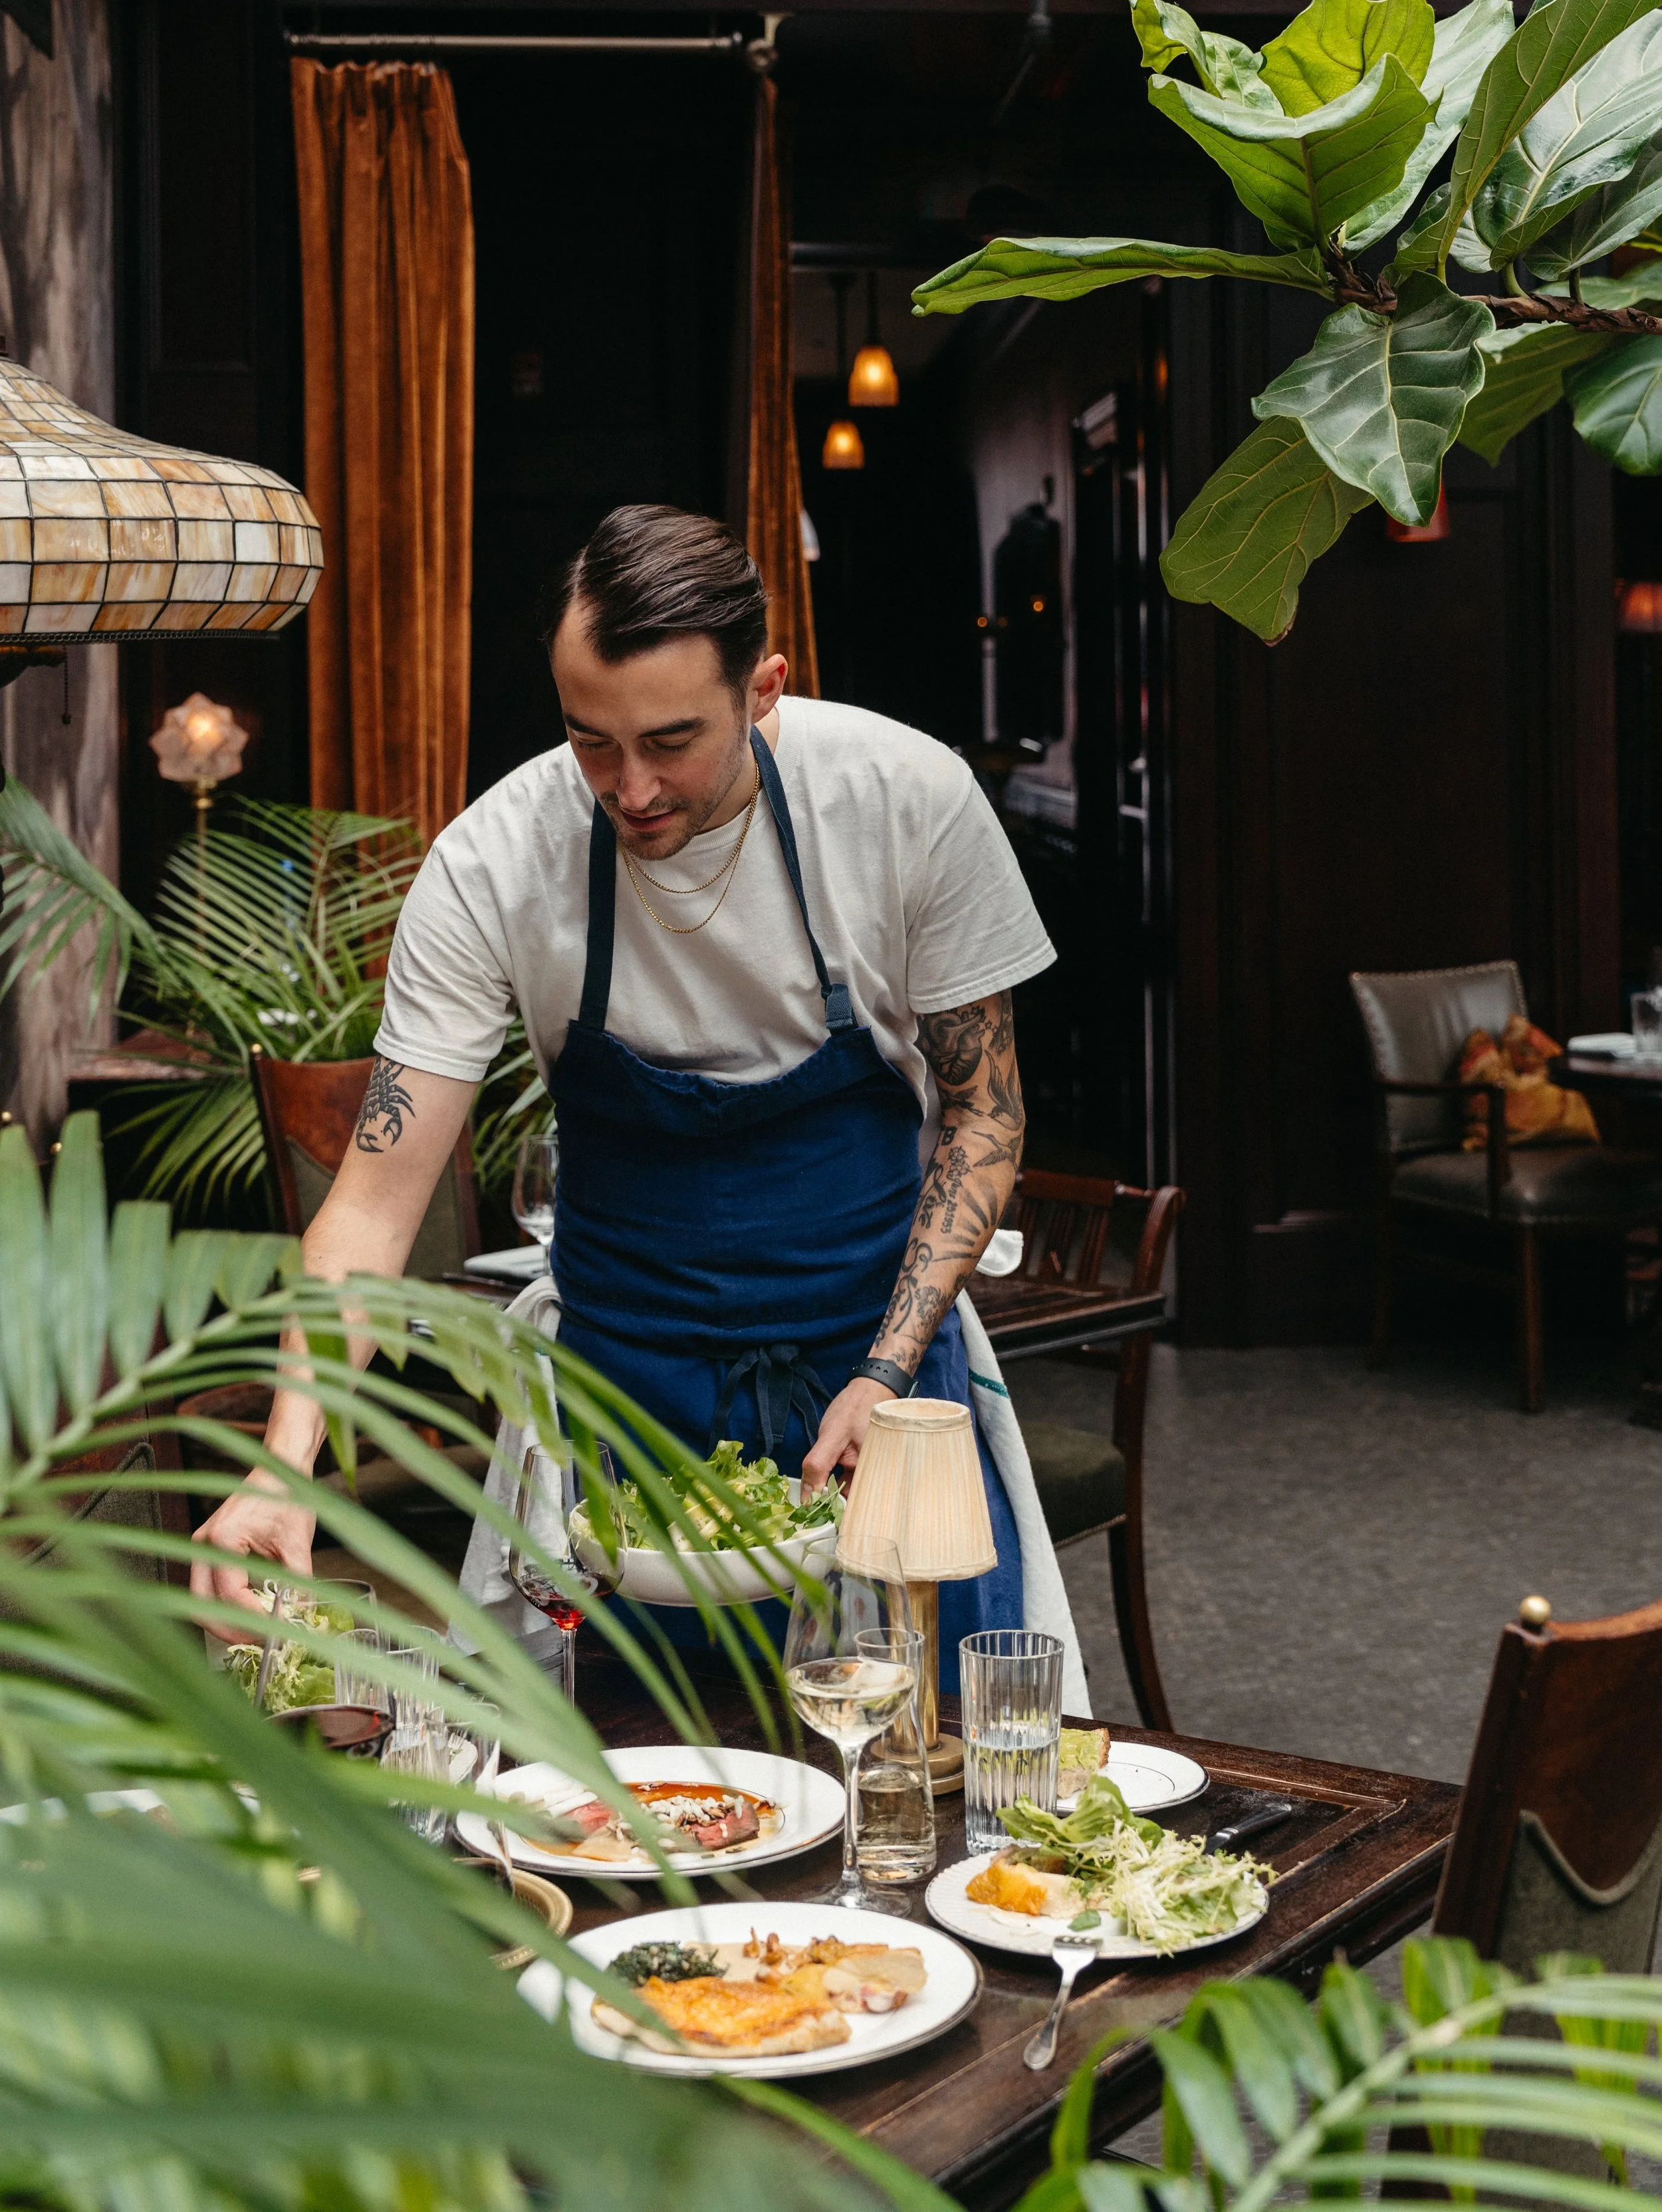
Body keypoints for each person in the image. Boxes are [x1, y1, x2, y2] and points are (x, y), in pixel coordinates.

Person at [191, 503, 1058, 1669]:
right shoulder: (496, 861)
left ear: (765, 688)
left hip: (879, 1386)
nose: (631, 785)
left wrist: (887, 1370)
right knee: (624, 1804)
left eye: (671, 739)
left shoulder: (907, 799)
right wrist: (282, 1466)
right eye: (590, 738)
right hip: (618, 1412)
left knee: (909, 1788)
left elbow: (984, 1110)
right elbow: (372, 1205)